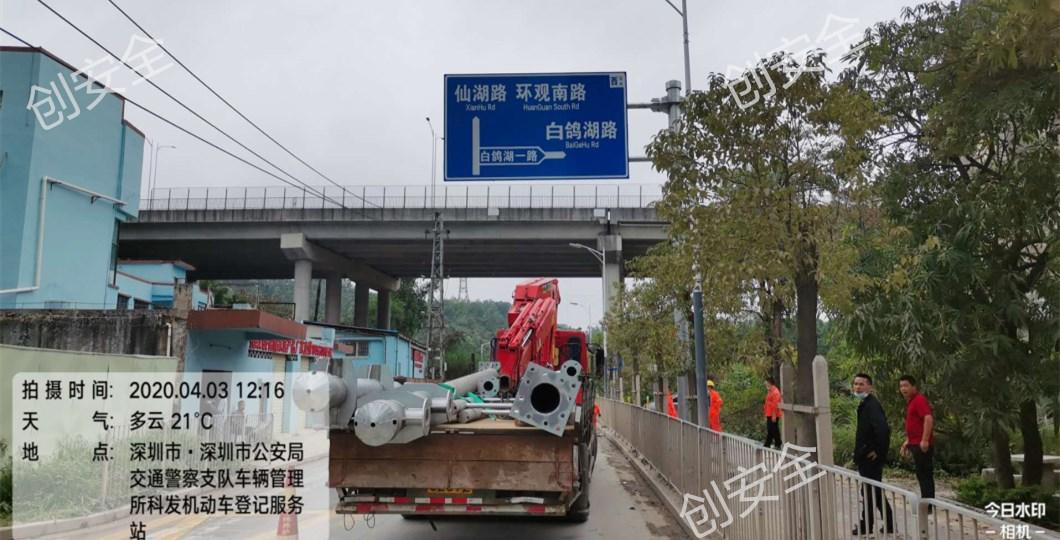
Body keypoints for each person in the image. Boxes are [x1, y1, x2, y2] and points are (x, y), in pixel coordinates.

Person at [852, 373, 894, 535]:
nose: (858, 387)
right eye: (856, 384)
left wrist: (878, 451)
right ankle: (888, 524)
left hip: (870, 457)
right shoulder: (865, 404)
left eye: (861, 384)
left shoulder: (872, 405)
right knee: (874, 490)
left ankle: (866, 526)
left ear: (869, 386)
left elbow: (883, 430)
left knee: (869, 491)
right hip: (865, 455)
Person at [899, 375, 935, 501]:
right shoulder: (911, 402)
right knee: (921, 474)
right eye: (901, 386)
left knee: (925, 475)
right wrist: (907, 441)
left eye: (906, 386)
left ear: (913, 387)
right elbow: (915, 424)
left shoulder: (919, 399)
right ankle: (926, 501)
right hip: (915, 442)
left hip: (921, 444)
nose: (903, 389)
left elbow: (928, 418)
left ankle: (928, 503)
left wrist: (925, 440)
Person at [763, 376, 783, 449]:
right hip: (769, 413)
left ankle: (778, 443)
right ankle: (768, 444)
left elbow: (775, 405)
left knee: (773, 429)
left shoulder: (775, 392)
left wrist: (774, 415)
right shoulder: (770, 391)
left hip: (773, 414)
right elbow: (767, 402)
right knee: (770, 429)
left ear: (770, 383)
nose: (765, 385)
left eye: (766, 383)